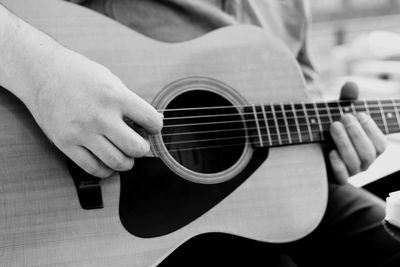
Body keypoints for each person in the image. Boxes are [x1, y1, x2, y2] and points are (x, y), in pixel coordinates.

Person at [0, 0, 399, 266]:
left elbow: (297, 82)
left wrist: (336, 142)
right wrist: (44, 75)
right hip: (124, 208)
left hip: (271, 193)